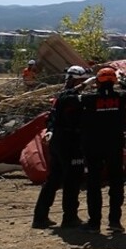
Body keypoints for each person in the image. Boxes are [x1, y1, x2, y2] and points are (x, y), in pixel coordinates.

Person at [81, 67, 126, 233]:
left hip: (93, 146)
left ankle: (94, 223)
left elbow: (66, 98)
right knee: (116, 183)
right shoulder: (121, 97)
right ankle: (114, 221)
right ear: (114, 81)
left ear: (97, 81)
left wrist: (84, 85)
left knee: (94, 183)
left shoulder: (89, 99)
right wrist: (122, 81)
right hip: (114, 146)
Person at [32, 66, 88, 229]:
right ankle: (70, 217)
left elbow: (51, 119)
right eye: (81, 80)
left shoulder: (61, 97)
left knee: (54, 179)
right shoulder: (69, 96)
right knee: (72, 179)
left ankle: (40, 217)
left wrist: (50, 130)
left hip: (58, 141)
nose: (83, 83)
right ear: (74, 79)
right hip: (69, 142)